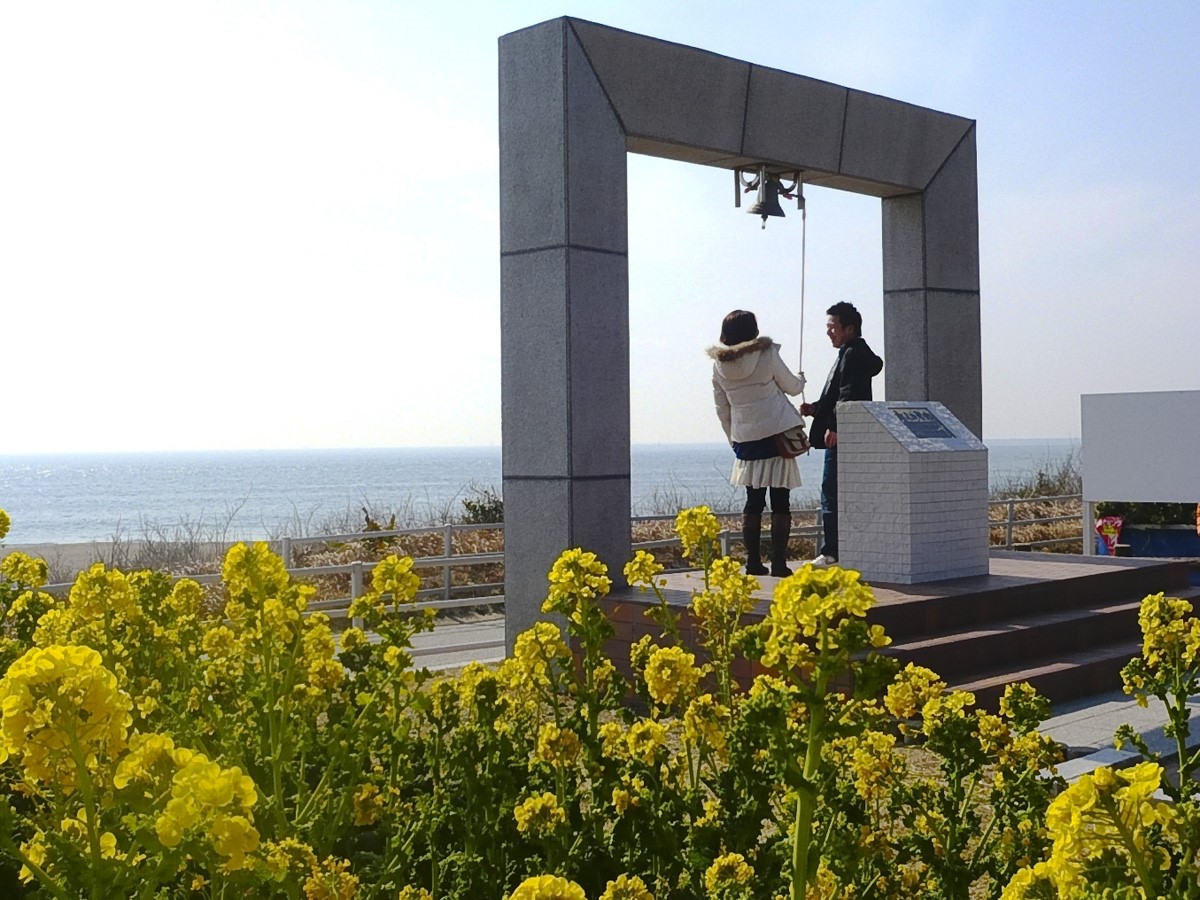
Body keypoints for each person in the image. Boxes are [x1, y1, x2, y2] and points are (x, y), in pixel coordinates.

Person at [709, 309, 807, 577]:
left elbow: (722, 409)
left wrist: (733, 438)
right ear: (753, 331)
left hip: (746, 440)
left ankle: (752, 561)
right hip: (777, 435)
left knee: (753, 503)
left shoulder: (718, 365)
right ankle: (779, 564)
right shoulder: (767, 354)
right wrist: (801, 379)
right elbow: (792, 387)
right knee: (781, 502)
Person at [800, 301, 883, 567]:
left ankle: (832, 552)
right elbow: (841, 393)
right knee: (850, 493)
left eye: (833, 326)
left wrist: (835, 426)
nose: (829, 332)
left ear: (850, 328)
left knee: (831, 493)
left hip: (843, 436)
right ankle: (850, 549)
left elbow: (848, 394)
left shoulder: (851, 354)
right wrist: (816, 409)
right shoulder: (854, 353)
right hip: (855, 435)